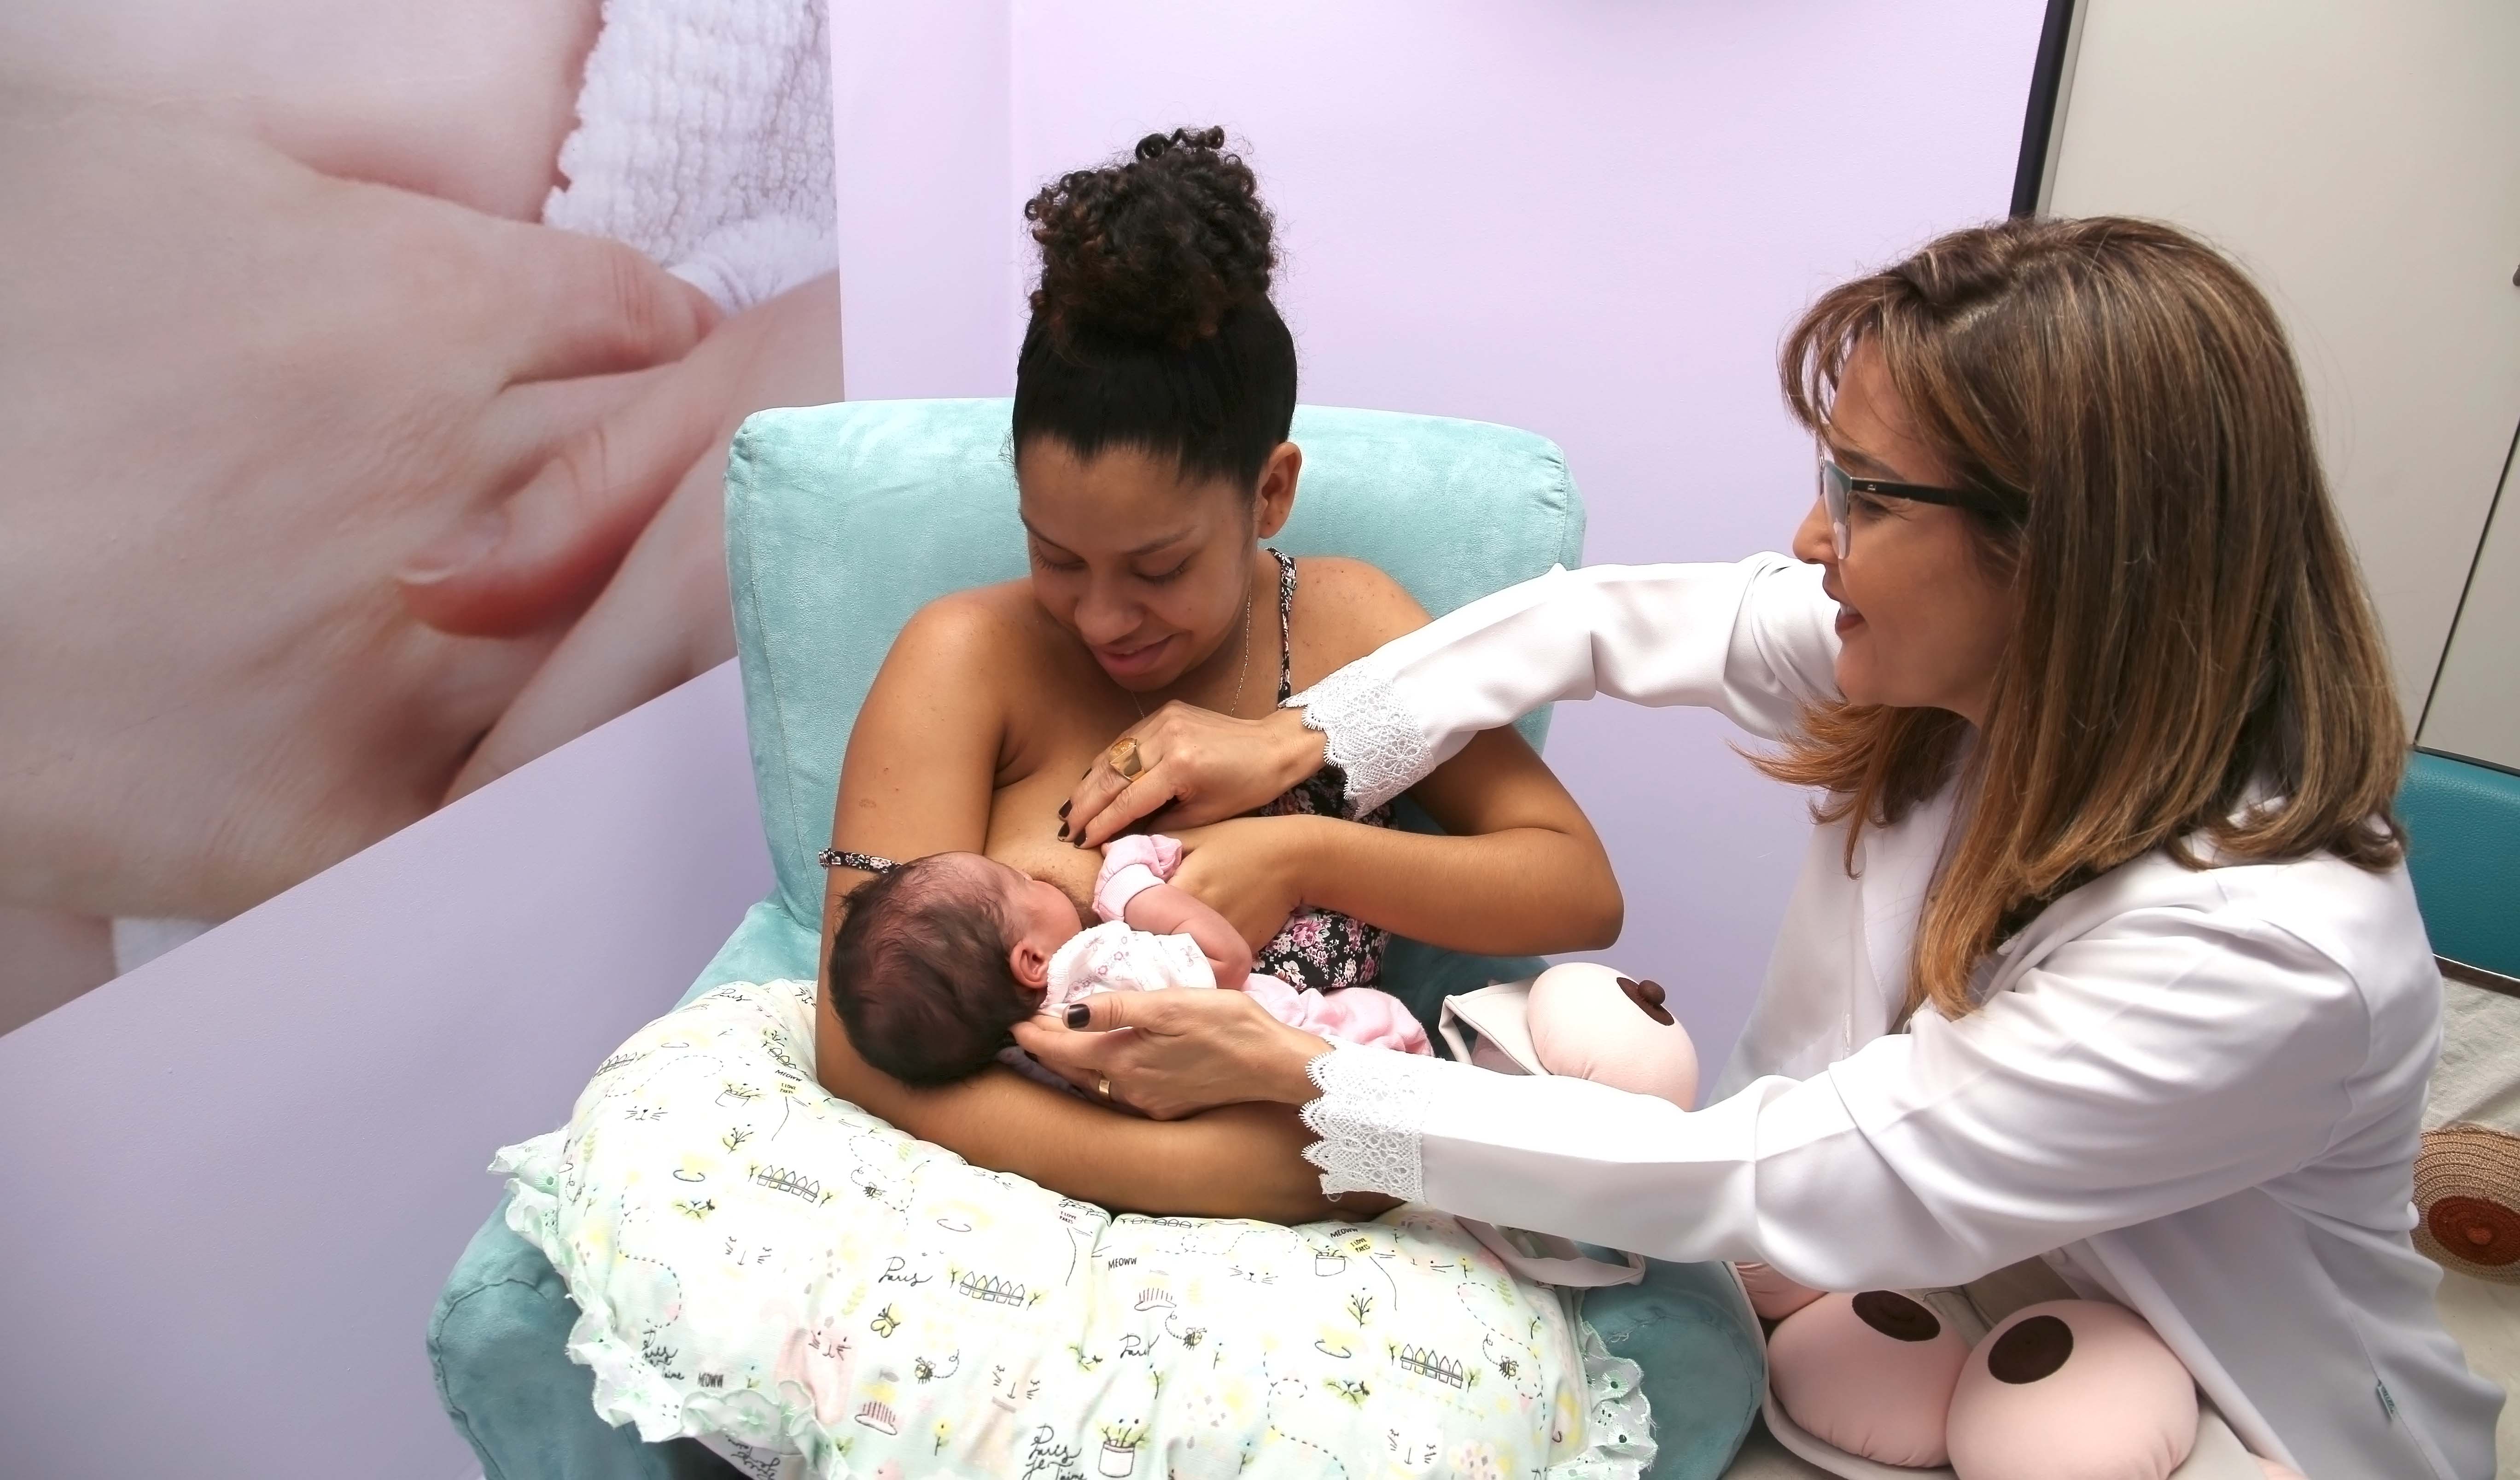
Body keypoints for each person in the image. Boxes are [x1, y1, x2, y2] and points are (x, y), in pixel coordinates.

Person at [1025, 216, 2504, 1478]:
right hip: (1883, 1319)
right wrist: (1308, 739)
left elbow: (1775, 1168)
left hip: (2225, 1413)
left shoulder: (2261, 955)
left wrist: (1306, 1071)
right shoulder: (1969, 674)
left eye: (1864, 492)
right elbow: (1604, 618)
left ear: (2065, 549)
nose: (1810, 536)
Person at [823, 841, 1427, 1091]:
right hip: (1347, 1044)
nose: (1037, 876)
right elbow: (1227, 960)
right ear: (1032, 959)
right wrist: (1133, 886)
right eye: (1021, 883)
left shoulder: (1030, 1059)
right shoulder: (1102, 967)